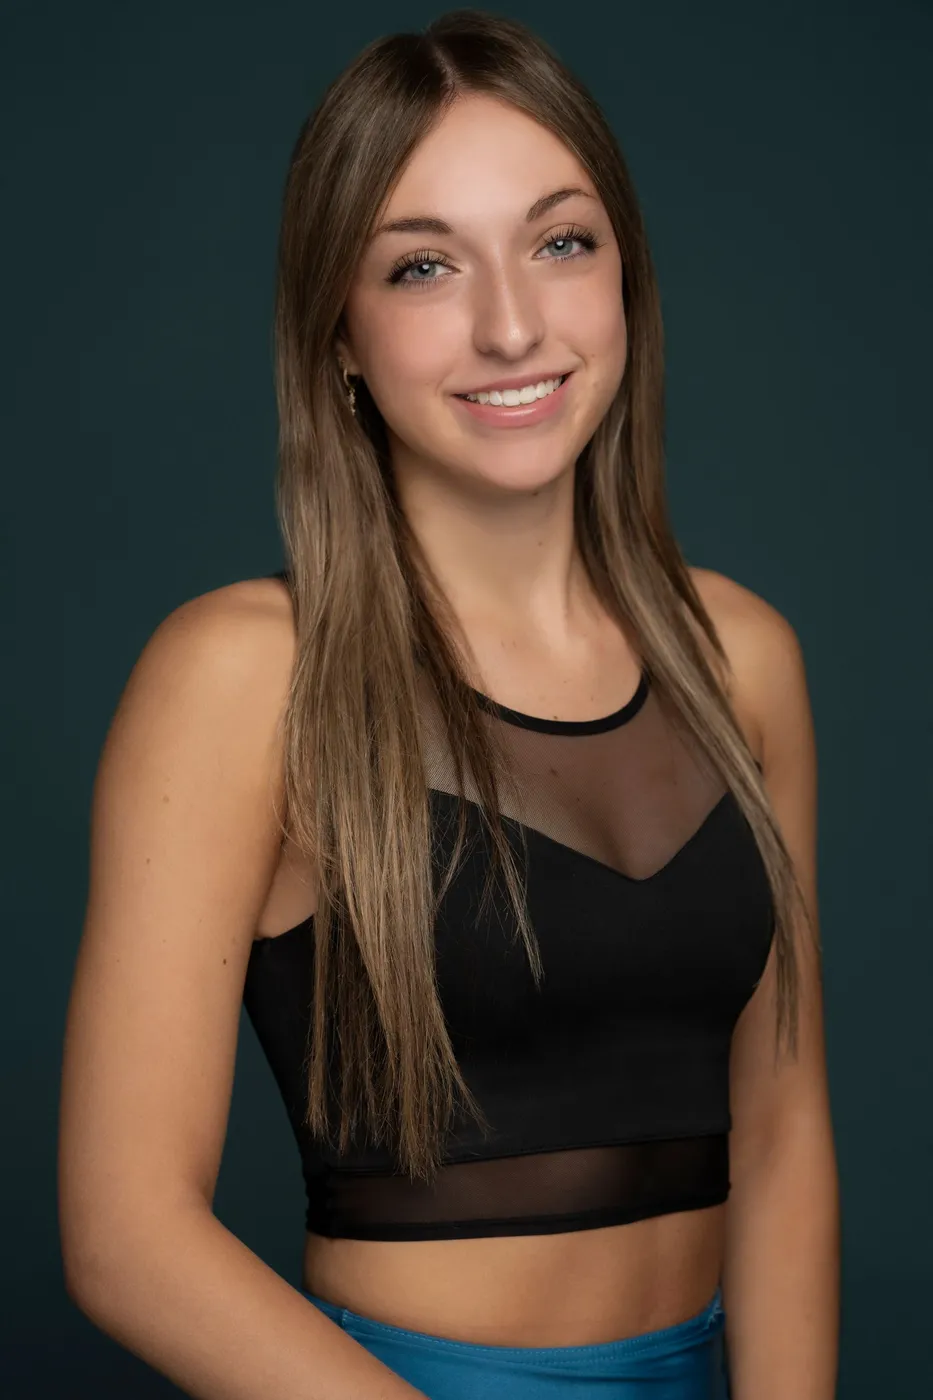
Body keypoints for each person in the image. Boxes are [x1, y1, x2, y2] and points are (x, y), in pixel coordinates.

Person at [58, 10, 839, 1399]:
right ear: (340, 337)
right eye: (423, 266)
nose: (511, 324)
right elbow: (126, 1234)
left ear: (624, 279)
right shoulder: (245, 675)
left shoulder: (743, 658)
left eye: (561, 241)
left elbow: (778, 1133)